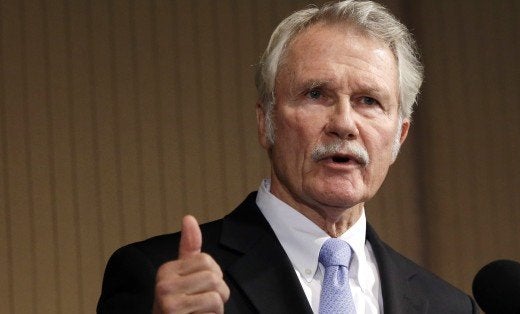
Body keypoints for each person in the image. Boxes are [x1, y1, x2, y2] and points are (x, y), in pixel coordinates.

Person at [97, 1, 477, 313]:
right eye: (316, 94)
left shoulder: (451, 307)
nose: (344, 123)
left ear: (399, 136)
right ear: (266, 123)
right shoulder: (159, 278)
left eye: (368, 101)